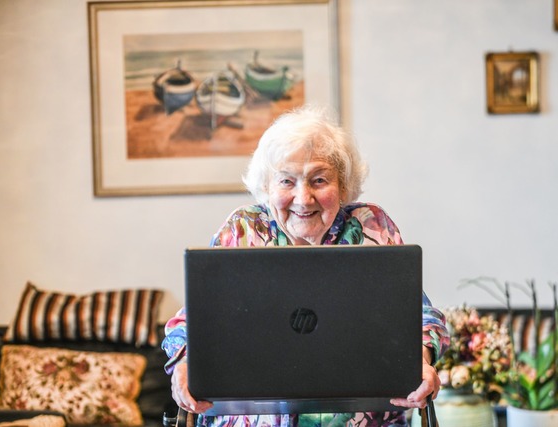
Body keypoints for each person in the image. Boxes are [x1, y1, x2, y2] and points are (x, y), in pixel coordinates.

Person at [162, 105, 450, 427]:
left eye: (319, 179)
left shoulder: (371, 226)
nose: (303, 198)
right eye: (287, 180)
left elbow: (420, 315)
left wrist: (421, 361)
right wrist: (186, 364)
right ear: (267, 186)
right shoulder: (243, 229)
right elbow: (192, 321)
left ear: (342, 184)